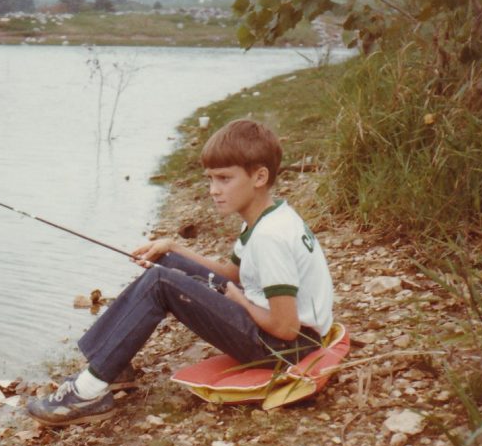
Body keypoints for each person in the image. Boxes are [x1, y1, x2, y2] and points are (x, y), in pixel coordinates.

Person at [26, 119, 335, 426]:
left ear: (259, 176)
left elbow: (285, 328)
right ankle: (113, 365)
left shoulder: (270, 237)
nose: (214, 190)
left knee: (161, 283)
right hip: (282, 334)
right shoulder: (268, 215)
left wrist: (241, 303)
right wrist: (173, 249)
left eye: (224, 179)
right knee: (166, 266)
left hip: (284, 349)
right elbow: (233, 273)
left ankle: (89, 392)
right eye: (210, 179)